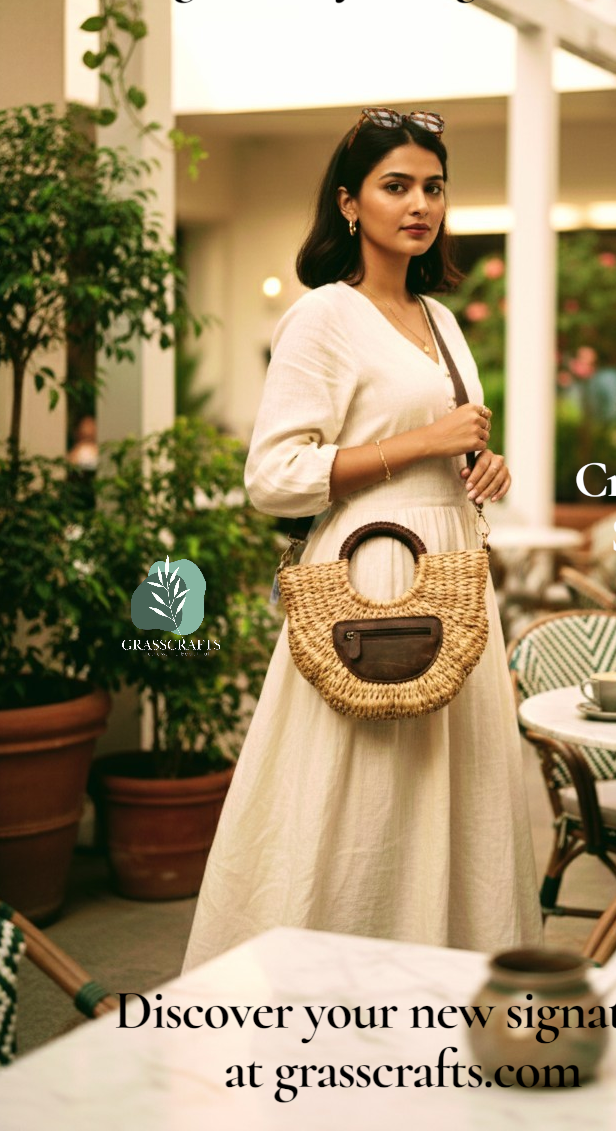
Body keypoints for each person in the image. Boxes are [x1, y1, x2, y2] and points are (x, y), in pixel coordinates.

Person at [182, 107, 541, 970]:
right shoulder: (322, 317)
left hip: (452, 568)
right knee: (364, 800)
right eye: (396, 186)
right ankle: (329, 990)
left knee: (452, 795)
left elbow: (448, 440)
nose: (419, 203)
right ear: (350, 204)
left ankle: (450, 980)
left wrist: (483, 468)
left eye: (433, 187)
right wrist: (423, 443)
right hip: (368, 574)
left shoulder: (441, 319)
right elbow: (271, 477)